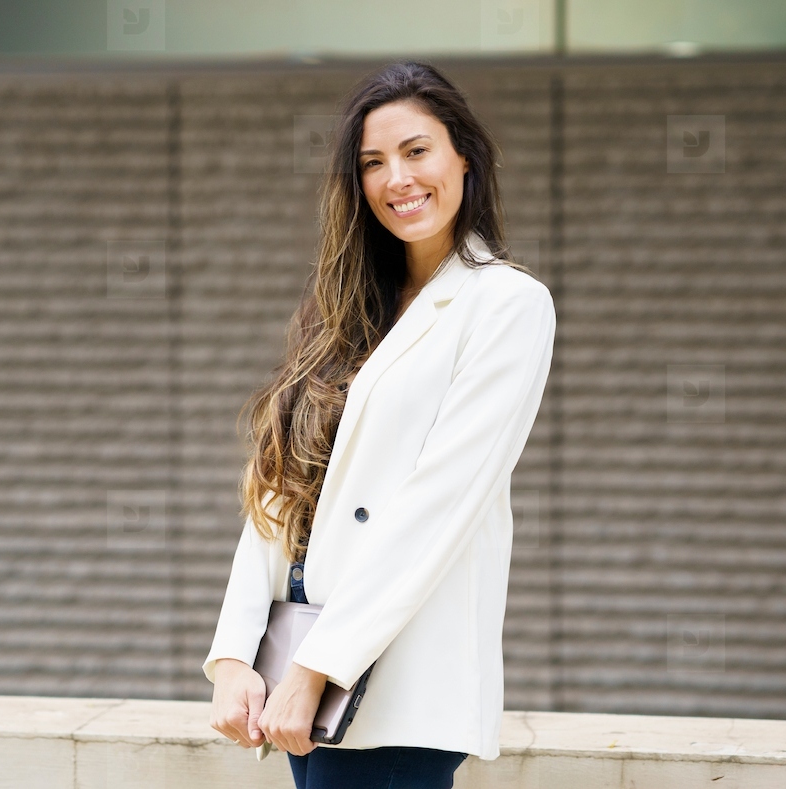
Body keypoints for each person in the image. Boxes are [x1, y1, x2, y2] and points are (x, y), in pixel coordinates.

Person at [203, 59, 557, 789]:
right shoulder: (346, 309)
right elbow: (281, 487)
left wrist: (319, 665)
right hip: (298, 682)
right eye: (373, 162)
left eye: (417, 150)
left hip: (393, 685)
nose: (398, 177)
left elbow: (437, 504)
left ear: (466, 156)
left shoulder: (508, 305)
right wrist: (236, 653)